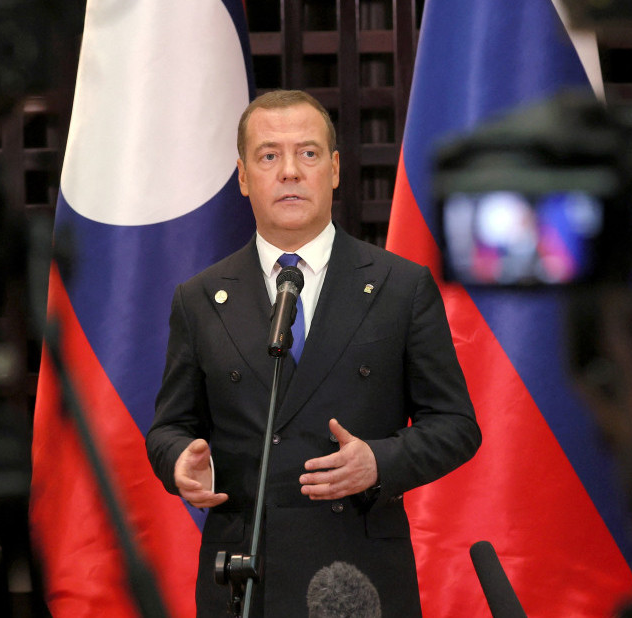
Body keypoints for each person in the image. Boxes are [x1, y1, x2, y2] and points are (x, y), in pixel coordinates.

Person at [145, 89, 481, 617]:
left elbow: (457, 426)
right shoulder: (201, 297)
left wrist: (379, 460)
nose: (290, 172)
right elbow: (170, 427)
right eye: (269, 155)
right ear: (242, 176)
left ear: (335, 168)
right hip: (246, 576)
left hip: (361, 575)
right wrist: (179, 463)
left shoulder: (400, 285)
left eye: (308, 153)